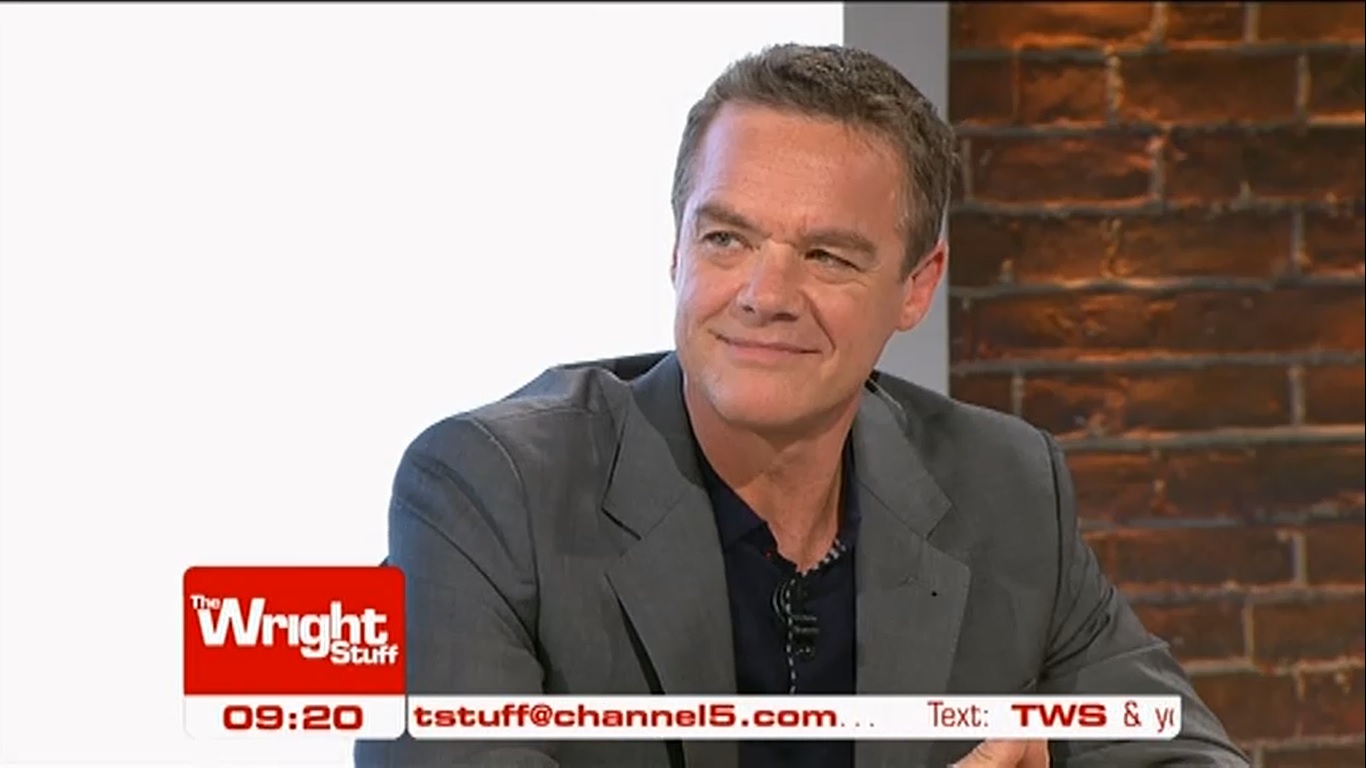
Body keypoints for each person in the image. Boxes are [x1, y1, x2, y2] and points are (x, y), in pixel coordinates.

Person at [354, 43, 1248, 768]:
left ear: (917, 285)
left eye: (827, 256)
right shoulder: (489, 495)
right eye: (726, 238)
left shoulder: (1004, 488)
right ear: (676, 252)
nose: (765, 295)